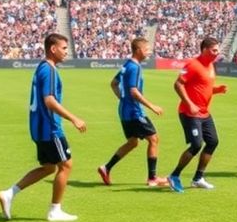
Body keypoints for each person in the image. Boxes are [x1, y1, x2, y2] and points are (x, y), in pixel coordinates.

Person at [0, 33, 87, 222]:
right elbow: (49, 100)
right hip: (50, 128)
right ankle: (55, 210)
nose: (66, 52)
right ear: (53, 49)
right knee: (66, 165)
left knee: (48, 168)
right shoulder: (50, 70)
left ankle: (9, 194)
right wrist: (74, 118)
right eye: (63, 48)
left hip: (39, 128)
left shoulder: (41, 67)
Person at [97, 38, 167, 187]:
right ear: (138, 50)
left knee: (132, 142)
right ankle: (152, 178)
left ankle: (106, 168)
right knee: (154, 139)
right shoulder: (135, 67)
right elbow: (134, 91)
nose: (149, 52)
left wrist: (123, 99)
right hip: (135, 112)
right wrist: (152, 106)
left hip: (124, 111)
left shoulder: (127, 65)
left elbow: (114, 84)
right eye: (146, 49)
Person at [166, 37, 228, 193]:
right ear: (205, 49)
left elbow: (203, 87)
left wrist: (216, 90)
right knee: (196, 145)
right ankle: (174, 176)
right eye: (214, 50)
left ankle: (198, 178)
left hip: (204, 113)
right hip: (189, 113)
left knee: (213, 142)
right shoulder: (193, 65)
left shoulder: (211, 66)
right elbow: (178, 84)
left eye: (218, 50)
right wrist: (190, 104)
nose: (217, 53)